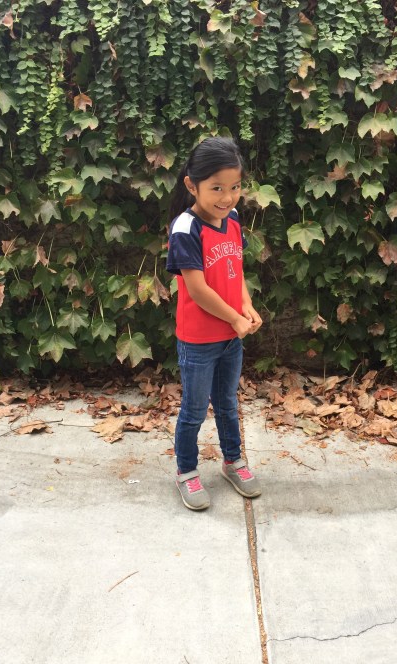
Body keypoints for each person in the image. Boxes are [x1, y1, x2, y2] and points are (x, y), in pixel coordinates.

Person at [166, 136, 263, 511]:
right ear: (192, 185)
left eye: (235, 187)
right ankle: (187, 472)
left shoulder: (233, 219)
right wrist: (235, 317)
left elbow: (235, 270)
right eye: (217, 188)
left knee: (226, 403)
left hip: (230, 336)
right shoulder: (185, 228)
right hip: (198, 340)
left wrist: (246, 306)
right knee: (194, 409)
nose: (228, 197)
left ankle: (232, 461)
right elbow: (198, 289)